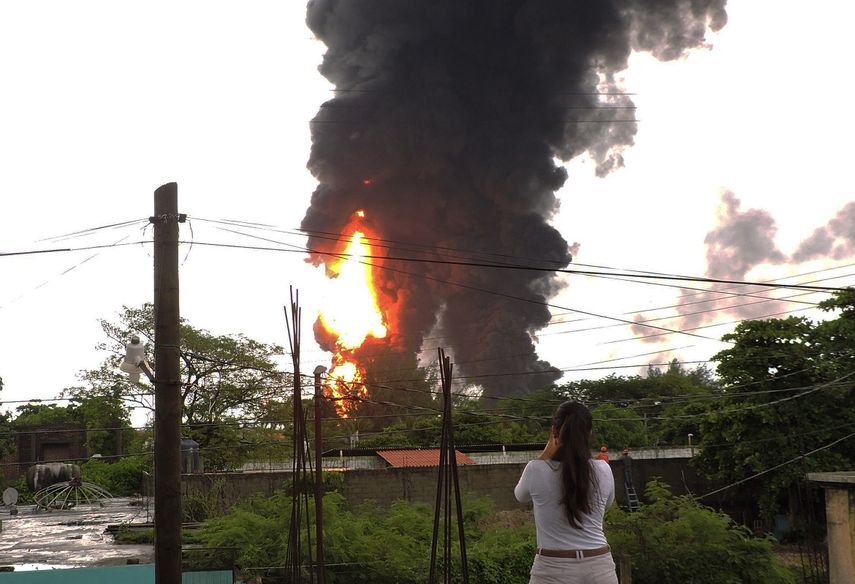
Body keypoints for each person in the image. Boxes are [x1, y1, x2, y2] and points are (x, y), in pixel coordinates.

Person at [514, 401, 618, 584]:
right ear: (589, 433)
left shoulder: (535, 470)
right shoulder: (603, 469)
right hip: (599, 569)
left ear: (554, 431)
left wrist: (547, 450)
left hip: (553, 570)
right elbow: (608, 503)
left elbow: (520, 496)